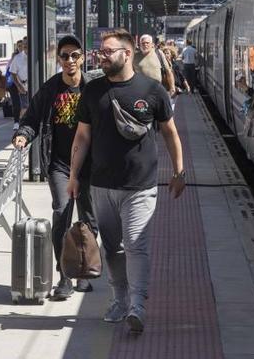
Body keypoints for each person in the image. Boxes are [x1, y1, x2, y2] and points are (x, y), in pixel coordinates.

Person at [68, 28, 186, 334]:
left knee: (135, 244)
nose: (101, 57)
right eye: (100, 52)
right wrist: (73, 176)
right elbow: (82, 136)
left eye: (108, 52)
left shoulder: (152, 90)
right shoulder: (93, 92)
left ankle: (137, 305)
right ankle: (119, 298)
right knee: (112, 249)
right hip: (102, 186)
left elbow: (171, 133)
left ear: (127, 53)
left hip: (141, 186)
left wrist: (179, 172)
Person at [13, 35, 97, 300]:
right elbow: (32, 118)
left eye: (75, 55)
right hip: (60, 164)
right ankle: (64, 277)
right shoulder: (51, 89)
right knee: (61, 214)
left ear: (82, 58)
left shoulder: (93, 88)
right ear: (58, 59)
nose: (70, 60)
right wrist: (23, 135)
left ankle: (84, 272)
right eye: (64, 56)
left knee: (89, 221)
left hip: (91, 165)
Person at [8, 37, 29, 125]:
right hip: (23, 85)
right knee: (24, 106)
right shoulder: (17, 58)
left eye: (27, 44)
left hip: (34, 84)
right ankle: (22, 124)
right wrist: (19, 86)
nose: (25, 46)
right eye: (24, 45)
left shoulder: (37, 54)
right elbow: (13, 72)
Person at [6, 40, 23, 128]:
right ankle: (16, 122)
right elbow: (9, 70)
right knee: (16, 103)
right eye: (19, 46)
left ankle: (22, 120)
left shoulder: (28, 56)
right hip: (14, 83)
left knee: (24, 103)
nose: (20, 48)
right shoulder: (14, 57)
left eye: (22, 46)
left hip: (24, 83)